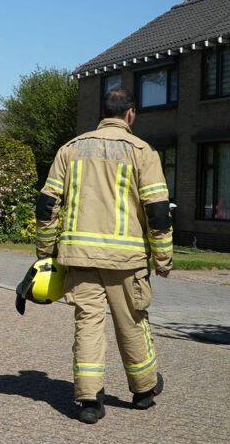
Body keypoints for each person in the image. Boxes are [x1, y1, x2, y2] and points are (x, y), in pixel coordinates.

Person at [36, 89, 172, 424]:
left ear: (103, 113)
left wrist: (45, 251)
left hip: (80, 257)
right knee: (132, 322)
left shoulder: (71, 149)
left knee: (88, 324)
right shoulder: (142, 152)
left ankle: (89, 401)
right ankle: (143, 391)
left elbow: (46, 205)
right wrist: (163, 258)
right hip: (126, 261)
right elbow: (157, 211)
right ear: (130, 114)